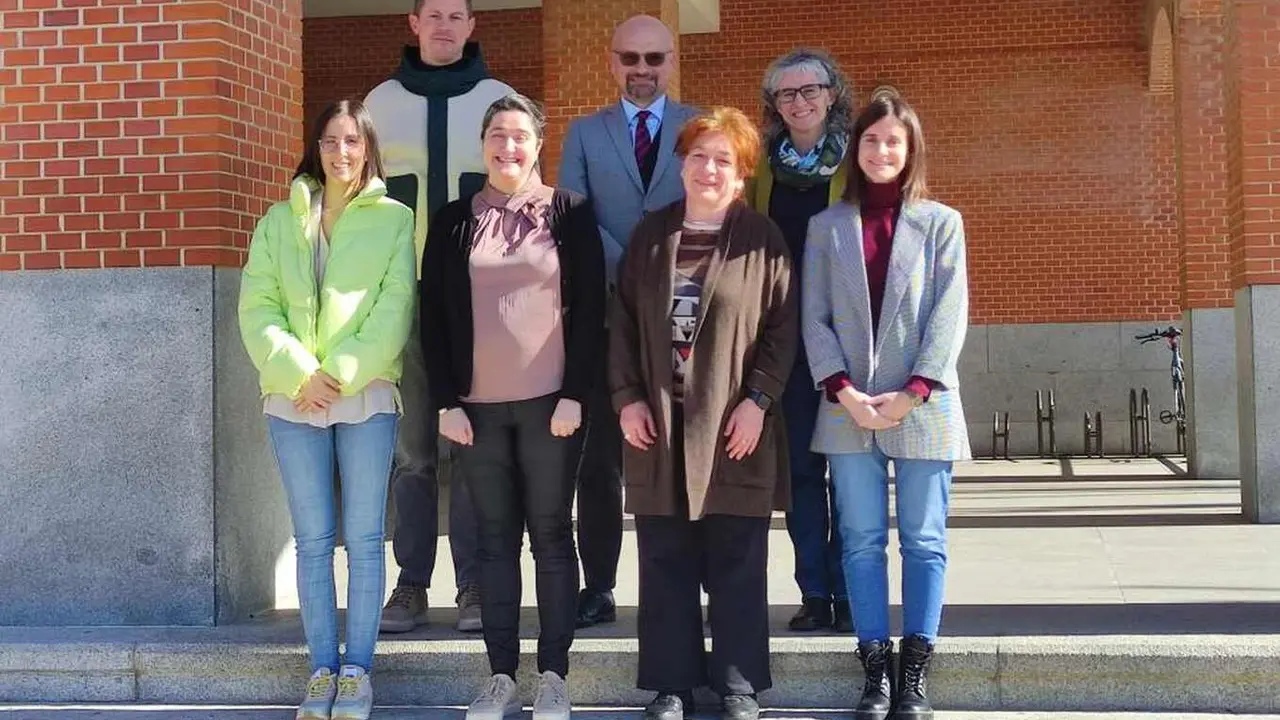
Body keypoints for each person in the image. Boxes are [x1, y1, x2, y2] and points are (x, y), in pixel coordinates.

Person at [421, 93, 605, 720]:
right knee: (495, 543)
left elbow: (592, 316)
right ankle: (501, 676)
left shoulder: (570, 213)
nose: (508, 146)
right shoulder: (451, 220)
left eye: (520, 135)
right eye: (497, 135)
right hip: (475, 411)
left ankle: (554, 674)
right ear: (484, 145)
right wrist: (445, 402)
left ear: (537, 144)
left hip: (552, 406)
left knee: (552, 537)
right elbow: (434, 320)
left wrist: (576, 394)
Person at [610, 107, 796, 720]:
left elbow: (781, 330)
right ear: (682, 164)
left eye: (724, 160)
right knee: (664, 559)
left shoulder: (762, 239)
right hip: (659, 425)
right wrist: (627, 397)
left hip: (732, 426)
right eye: (699, 156)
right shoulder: (651, 235)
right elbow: (622, 327)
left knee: (738, 559)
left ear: (741, 174)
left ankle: (738, 685)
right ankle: (672, 684)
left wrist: (758, 402)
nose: (709, 169)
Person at [239, 99, 415, 720]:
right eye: (331, 140)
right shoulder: (276, 221)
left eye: (353, 141)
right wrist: (296, 375)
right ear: (316, 147)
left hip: (362, 395)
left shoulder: (395, 220)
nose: (343, 152)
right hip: (291, 400)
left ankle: (358, 674)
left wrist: (336, 375)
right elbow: (257, 307)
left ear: (368, 148)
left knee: (365, 541)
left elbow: (394, 310)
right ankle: (321, 671)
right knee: (313, 541)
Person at [802, 91, 970, 720]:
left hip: (922, 404)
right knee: (861, 540)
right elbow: (813, 318)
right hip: (845, 406)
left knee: (924, 540)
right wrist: (842, 387)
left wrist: (913, 391)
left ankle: (916, 671)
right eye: (870, 140)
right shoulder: (826, 227)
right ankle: (875, 667)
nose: (881, 151)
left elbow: (950, 316)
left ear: (910, 149)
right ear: (857, 149)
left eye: (893, 141)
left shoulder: (940, 223)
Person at [365, 0, 516, 634]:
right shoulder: (378, 104)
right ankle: (412, 583)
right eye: (435, 15)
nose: (446, 26)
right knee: (414, 452)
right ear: (414, 24)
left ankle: (476, 584)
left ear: (472, 26)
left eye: (458, 15)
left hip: (478, 301)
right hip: (405, 299)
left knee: (475, 448)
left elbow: (524, 201)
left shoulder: (500, 100)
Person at [557, 13, 699, 629]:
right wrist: (636, 265)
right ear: (612, 62)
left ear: (671, 61)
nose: (643, 70)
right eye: (631, 59)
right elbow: (572, 215)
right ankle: (600, 586)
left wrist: (662, 270)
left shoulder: (701, 127)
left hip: (684, 316)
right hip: (605, 319)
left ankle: (685, 584)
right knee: (601, 463)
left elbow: (712, 207)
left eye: (654, 59)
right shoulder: (585, 134)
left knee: (681, 457)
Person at [750, 48, 857, 634]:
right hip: (789, 336)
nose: (800, 102)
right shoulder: (762, 166)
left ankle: (851, 589)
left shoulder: (858, 159)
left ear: (832, 93)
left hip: (847, 339)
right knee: (803, 474)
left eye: (810, 90)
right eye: (787, 94)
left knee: (849, 471)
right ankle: (815, 591)